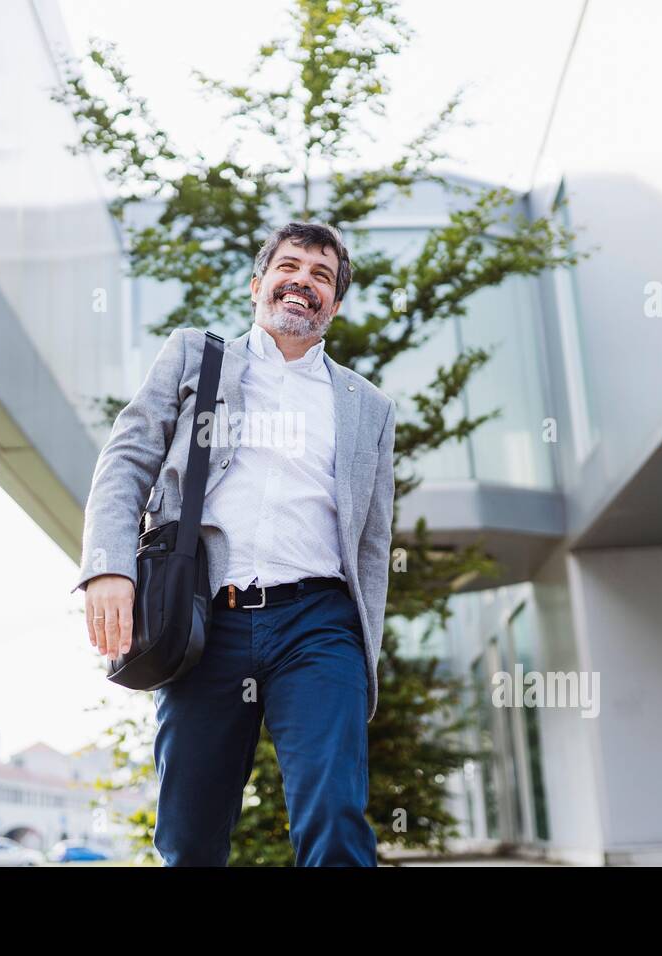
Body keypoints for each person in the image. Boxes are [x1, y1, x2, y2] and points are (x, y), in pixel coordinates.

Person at [74, 221, 396, 866]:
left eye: (322, 276)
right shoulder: (197, 354)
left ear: (333, 305)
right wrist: (109, 568)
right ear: (258, 285)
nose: (303, 280)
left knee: (333, 810)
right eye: (290, 266)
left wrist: (363, 656)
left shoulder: (369, 405)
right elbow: (128, 458)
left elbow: (371, 541)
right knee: (189, 836)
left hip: (319, 623)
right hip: (204, 621)